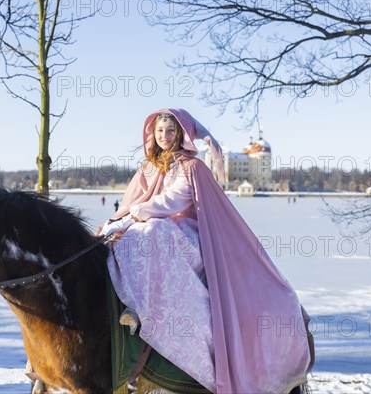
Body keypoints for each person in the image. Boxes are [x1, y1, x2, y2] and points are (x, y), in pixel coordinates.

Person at [100, 108, 313, 394]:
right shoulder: (149, 166)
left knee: (153, 234)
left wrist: (138, 213)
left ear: (181, 134)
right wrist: (122, 219)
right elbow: (133, 198)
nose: (165, 136)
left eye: (171, 131)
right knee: (124, 235)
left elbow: (175, 200)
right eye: (160, 130)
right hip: (155, 222)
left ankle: (140, 308)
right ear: (153, 133)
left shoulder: (191, 166)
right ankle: (122, 297)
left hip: (186, 229)